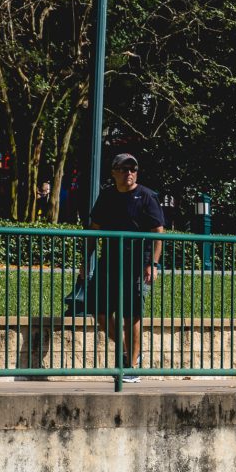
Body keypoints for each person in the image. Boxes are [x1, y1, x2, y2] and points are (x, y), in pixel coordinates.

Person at [82, 152, 165, 371]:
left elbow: (158, 232)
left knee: (132, 315)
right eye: (124, 169)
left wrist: (153, 264)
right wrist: (85, 261)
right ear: (114, 172)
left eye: (133, 169)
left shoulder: (147, 196)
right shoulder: (107, 196)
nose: (129, 173)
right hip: (108, 263)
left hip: (137, 265)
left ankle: (132, 365)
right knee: (99, 312)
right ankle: (127, 348)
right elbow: (94, 230)